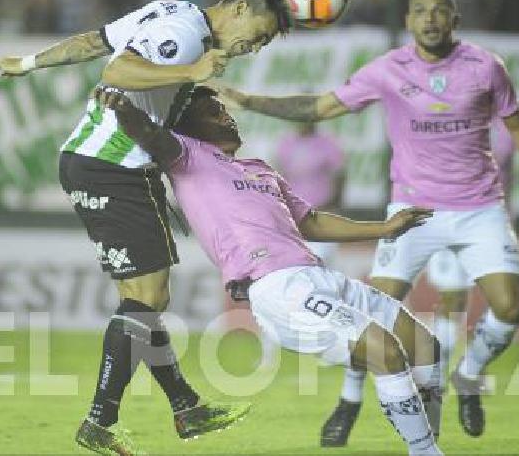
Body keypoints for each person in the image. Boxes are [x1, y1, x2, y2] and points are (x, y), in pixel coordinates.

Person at [212, 0, 519, 444]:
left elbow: (517, 125)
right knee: (373, 310)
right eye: (420, 11)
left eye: (439, 11)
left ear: (454, 20)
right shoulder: (388, 70)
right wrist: (249, 101)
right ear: (408, 20)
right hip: (414, 206)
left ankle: (467, 376)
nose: (430, 19)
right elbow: (319, 106)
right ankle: (349, 401)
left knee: (508, 305)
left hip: (479, 205)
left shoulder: (486, 67)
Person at [0, 0, 292, 455]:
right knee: (148, 297)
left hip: (89, 160)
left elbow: (94, 43)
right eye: (262, 32)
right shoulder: (188, 35)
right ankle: (99, 423)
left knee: (139, 301)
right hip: (114, 165)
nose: (257, 46)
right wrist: (191, 71)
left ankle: (186, 407)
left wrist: (26, 63)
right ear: (241, 7)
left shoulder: (168, 10)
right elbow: (120, 71)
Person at [98, 84, 445, 455]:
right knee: (386, 351)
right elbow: (150, 135)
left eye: (224, 110)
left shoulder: (260, 169)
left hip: (318, 274)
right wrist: (122, 107)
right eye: (213, 113)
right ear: (191, 128)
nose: (226, 116)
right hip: (279, 289)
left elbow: (309, 221)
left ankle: (425, 443)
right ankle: (424, 451)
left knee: (425, 345)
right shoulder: (187, 157)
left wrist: (384, 229)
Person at [423, 120, 519, 387]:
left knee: (501, 300)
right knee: (453, 299)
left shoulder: (508, 127)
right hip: (449, 216)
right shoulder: (449, 116)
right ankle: (437, 373)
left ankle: (470, 368)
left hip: (492, 224)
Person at [273, 120, 347, 264]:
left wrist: (333, 204)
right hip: (294, 216)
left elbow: (340, 176)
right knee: (296, 263)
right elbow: (278, 177)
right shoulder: (287, 143)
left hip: (321, 213)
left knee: (321, 262)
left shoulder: (327, 143)